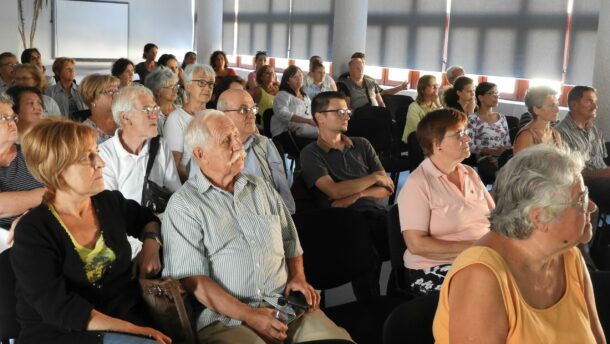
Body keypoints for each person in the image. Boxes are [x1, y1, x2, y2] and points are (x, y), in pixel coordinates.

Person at [161, 111, 351, 344]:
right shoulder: (184, 206)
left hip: (284, 306)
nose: (238, 144)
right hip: (227, 319)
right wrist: (251, 316)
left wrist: (298, 277)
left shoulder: (260, 187)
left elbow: (290, 241)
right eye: (226, 141)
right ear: (200, 154)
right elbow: (195, 282)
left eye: (235, 136)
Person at [12, 116, 171, 343]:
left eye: (97, 152)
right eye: (88, 158)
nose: (101, 163)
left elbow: (146, 219)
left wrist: (151, 244)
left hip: (124, 322)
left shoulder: (107, 203)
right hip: (63, 334)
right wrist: (136, 331)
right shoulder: (34, 231)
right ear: (57, 169)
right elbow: (59, 309)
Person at [433, 145, 605, 343]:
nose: (592, 206)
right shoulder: (481, 276)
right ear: (539, 217)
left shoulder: (569, 256)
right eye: (581, 199)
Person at [300, 91, 394, 299]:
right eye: (339, 111)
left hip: (373, 211)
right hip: (340, 219)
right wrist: (373, 178)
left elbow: (387, 188)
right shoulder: (311, 152)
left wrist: (356, 195)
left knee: (407, 236)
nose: (347, 115)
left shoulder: (361, 144)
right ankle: (371, 302)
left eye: (347, 111)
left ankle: (399, 298)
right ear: (320, 117)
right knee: (365, 240)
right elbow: (333, 191)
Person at [397, 108, 494, 295]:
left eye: (466, 132)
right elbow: (416, 244)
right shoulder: (418, 183)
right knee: (492, 291)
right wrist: (476, 249)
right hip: (433, 267)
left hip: (478, 258)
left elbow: (495, 219)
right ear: (437, 144)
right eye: (459, 134)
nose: (467, 138)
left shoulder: (469, 172)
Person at [99, 85, 180, 205]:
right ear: (125, 117)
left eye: (156, 109)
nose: (156, 116)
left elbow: (176, 193)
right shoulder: (105, 154)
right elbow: (111, 208)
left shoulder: (160, 145)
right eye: (147, 110)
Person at [217, 89, 295, 213]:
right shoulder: (210, 152)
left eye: (253, 109)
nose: (252, 115)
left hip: (273, 218)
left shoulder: (265, 144)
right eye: (243, 110)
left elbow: (286, 198)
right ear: (222, 116)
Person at [556, 86, 610, 214]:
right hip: (582, 185)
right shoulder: (561, 133)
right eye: (589, 101)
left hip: (603, 180)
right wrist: (603, 173)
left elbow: (601, 162)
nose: (595, 106)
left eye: (595, 102)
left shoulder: (594, 130)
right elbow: (569, 174)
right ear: (574, 105)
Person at [0, 92, 44, 230]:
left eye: (12, 117)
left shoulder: (34, 154)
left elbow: (65, 190)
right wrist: (46, 194)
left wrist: (27, 217)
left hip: (39, 230)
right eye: (3, 118)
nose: (11, 123)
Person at [164, 64, 215, 182]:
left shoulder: (214, 116)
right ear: (188, 86)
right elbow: (174, 166)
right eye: (201, 83)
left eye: (211, 84)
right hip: (192, 185)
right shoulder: (176, 119)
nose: (207, 88)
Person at [468, 82, 511, 184]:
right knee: (497, 173)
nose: (496, 96)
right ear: (481, 97)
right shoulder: (473, 118)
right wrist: (490, 152)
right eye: (492, 93)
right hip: (485, 159)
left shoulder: (502, 118)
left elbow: (508, 143)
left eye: (497, 93)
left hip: (503, 157)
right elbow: (469, 145)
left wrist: (503, 153)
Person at [271, 65, 318, 151]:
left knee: (324, 139)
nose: (299, 78)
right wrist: (306, 121)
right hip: (285, 133)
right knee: (313, 147)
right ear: (287, 81)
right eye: (295, 77)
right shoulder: (282, 95)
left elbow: (310, 114)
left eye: (300, 75)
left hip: (304, 130)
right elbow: (282, 113)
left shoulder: (306, 97)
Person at [336, 56, 408, 110]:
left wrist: (385, 114)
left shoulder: (371, 82)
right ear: (350, 69)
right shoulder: (344, 84)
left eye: (362, 68)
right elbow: (347, 108)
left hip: (376, 114)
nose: (361, 71)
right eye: (357, 68)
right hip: (360, 117)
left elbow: (381, 102)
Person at [513, 86, 562, 154]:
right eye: (551, 106)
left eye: (557, 105)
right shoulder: (526, 136)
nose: (557, 110)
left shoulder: (555, 134)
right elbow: (520, 164)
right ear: (536, 110)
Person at [79, 74, 120, 144]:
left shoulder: (126, 121)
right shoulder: (82, 133)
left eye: (116, 91)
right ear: (91, 98)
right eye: (109, 92)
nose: (115, 95)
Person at [401, 74, 442, 143]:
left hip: (432, 139)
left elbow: (446, 122)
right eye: (433, 86)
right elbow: (420, 129)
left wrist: (438, 105)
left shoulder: (437, 105)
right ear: (422, 89)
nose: (436, 88)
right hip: (416, 141)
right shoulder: (414, 107)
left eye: (437, 85)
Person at [144, 66, 180, 135]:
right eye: (170, 86)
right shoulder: (151, 114)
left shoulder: (181, 109)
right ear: (157, 91)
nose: (175, 90)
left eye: (175, 86)